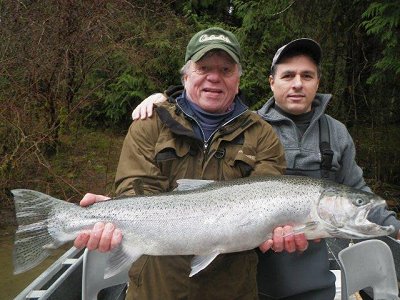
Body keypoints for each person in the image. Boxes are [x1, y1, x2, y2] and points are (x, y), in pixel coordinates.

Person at [132, 38, 400, 299]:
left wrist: (392, 226)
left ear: (318, 82)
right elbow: (206, 114)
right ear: (271, 82)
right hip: (255, 274)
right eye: (288, 76)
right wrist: (166, 99)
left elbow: (358, 189)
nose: (297, 84)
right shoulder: (248, 128)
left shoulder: (336, 132)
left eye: (307, 76)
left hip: (311, 277)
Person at [73, 27, 296, 300]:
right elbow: (134, 192)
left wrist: (283, 229)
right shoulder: (150, 124)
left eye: (226, 70)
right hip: (156, 289)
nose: (214, 77)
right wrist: (112, 215)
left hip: (233, 290)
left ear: (238, 80)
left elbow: (268, 202)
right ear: (186, 75)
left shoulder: (262, 134)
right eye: (203, 68)